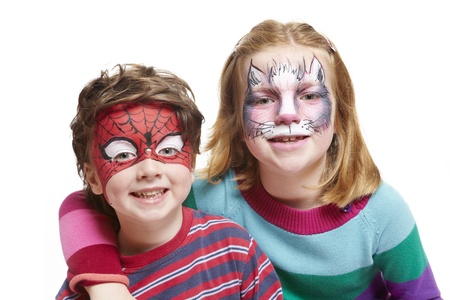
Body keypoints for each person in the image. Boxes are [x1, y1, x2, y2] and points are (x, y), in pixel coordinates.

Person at [57, 20, 442, 299]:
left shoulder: (380, 212)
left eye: (309, 95)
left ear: (340, 115)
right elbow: (86, 203)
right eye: (262, 99)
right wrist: (106, 285)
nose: (288, 114)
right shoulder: (208, 198)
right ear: (237, 122)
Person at [56, 64, 283, 300]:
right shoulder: (84, 289)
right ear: (93, 178)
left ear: (192, 163)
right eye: (123, 155)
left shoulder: (234, 247)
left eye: (168, 150)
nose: (149, 169)